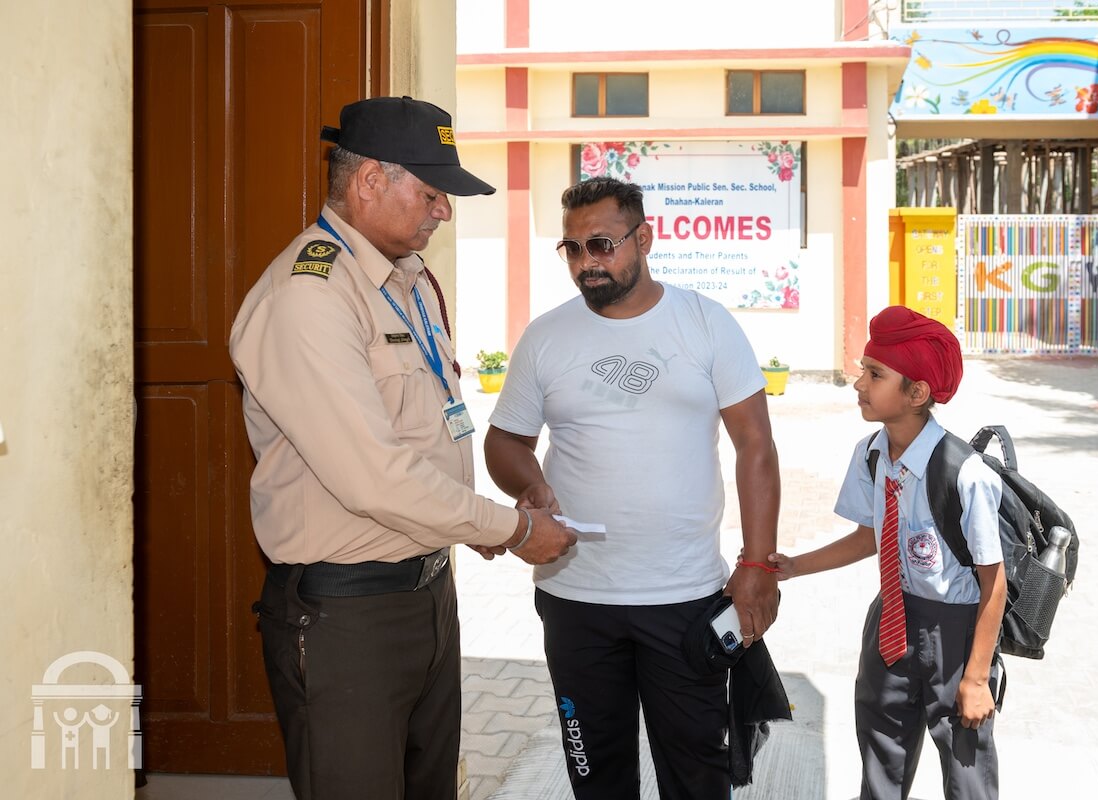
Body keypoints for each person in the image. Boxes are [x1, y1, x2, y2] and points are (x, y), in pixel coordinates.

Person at [229, 96, 577, 800]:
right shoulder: (313, 295)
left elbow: (425, 436)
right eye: (430, 192)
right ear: (368, 182)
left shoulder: (405, 283)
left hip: (426, 594)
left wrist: (465, 524)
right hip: (349, 616)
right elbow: (375, 478)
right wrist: (511, 529)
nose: (442, 211)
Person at [482, 177, 781, 800]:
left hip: (686, 596)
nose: (586, 263)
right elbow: (504, 441)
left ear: (643, 238)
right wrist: (531, 483)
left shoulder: (705, 322)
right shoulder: (546, 336)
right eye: (571, 248)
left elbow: (755, 444)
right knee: (596, 775)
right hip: (574, 597)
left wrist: (757, 563)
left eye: (601, 245)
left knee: (698, 776)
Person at [768, 305, 1006, 800]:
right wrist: (794, 567)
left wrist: (977, 677)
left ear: (917, 393)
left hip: (956, 631)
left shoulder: (967, 473)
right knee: (881, 752)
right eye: (863, 370)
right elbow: (868, 537)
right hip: (892, 618)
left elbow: (993, 581)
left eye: (874, 374)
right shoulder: (871, 453)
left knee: (965, 768)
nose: (859, 384)